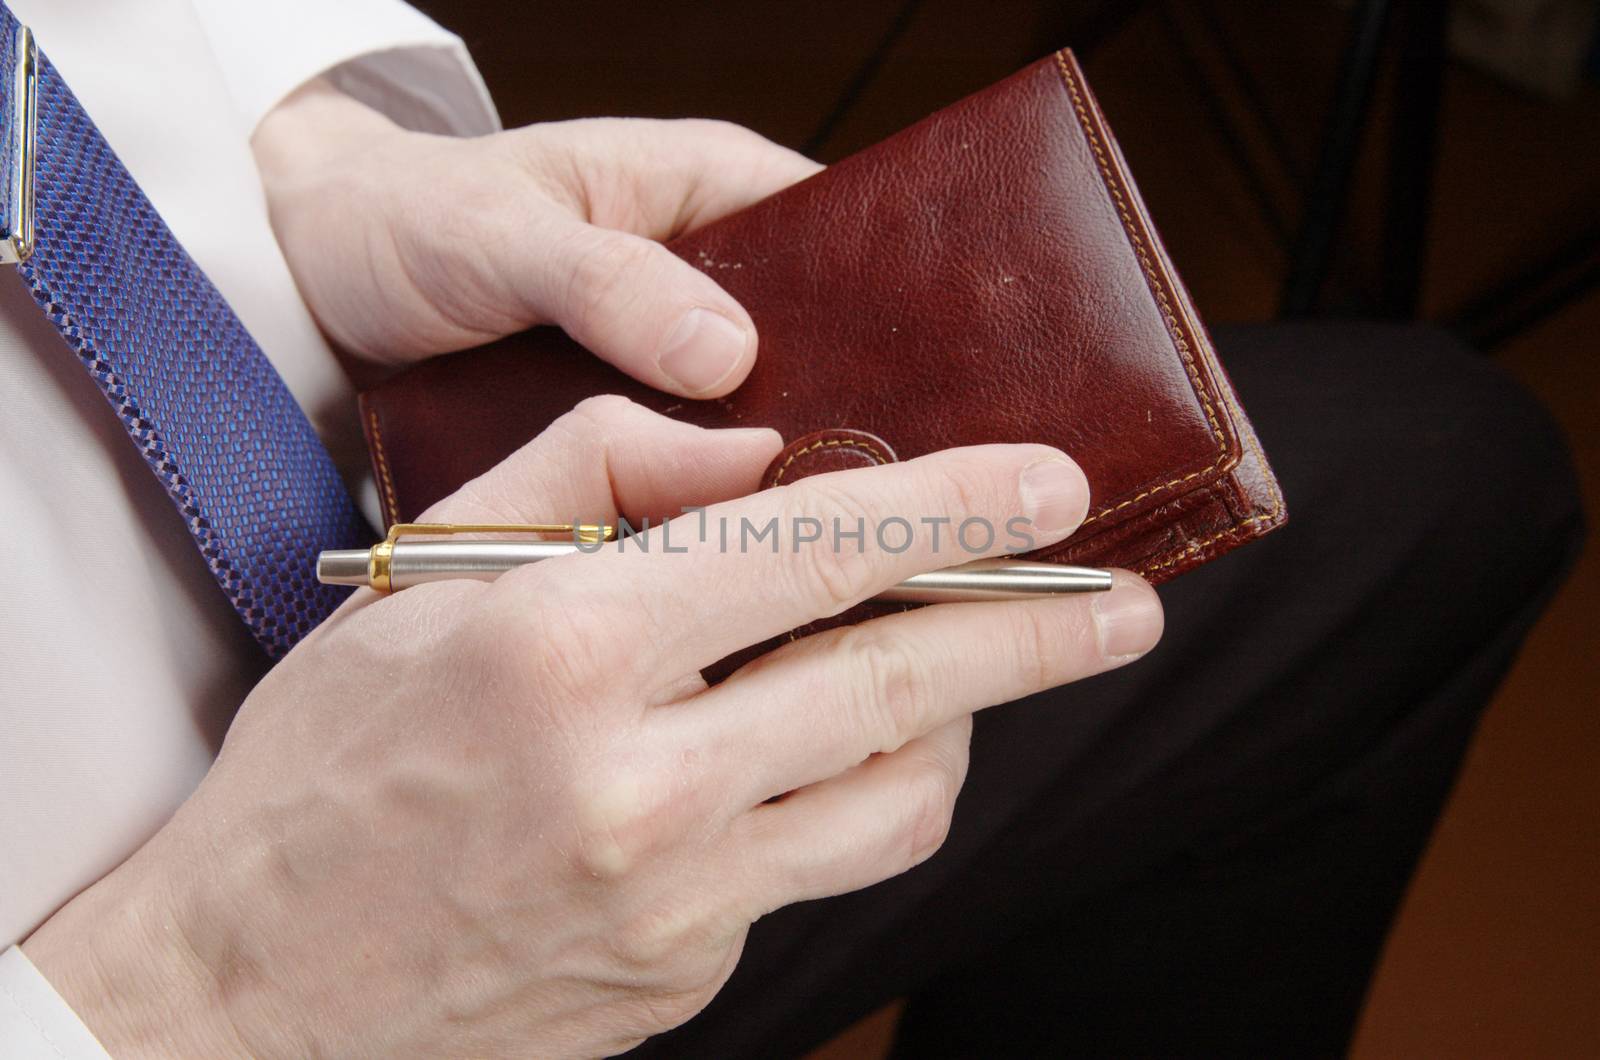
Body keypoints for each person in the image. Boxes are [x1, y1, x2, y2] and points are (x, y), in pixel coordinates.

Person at [0, 1, 1583, 1057]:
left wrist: (295, 156)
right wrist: (207, 988)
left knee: (1439, 478)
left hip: (347, 432)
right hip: (239, 964)